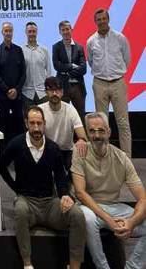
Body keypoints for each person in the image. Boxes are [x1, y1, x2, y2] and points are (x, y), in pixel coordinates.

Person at [0, 106, 86, 269]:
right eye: (32, 123)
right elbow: (1, 166)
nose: (36, 128)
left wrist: (65, 195)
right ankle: (27, 264)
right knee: (20, 210)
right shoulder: (16, 144)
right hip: (27, 201)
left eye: (39, 123)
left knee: (77, 214)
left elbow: (60, 176)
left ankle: (75, 266)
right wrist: (15, 188)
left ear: (44, 124)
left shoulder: (53, 148)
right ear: (26, 123)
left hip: (49, 202)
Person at [72, 112, 146, 268]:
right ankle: (103, 266)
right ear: (87, 133)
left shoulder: (121, 157)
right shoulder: (79, 152)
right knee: (87, 218)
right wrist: (109, 220)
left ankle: (132, 267)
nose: (97, 135)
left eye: (101, 130)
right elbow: (80, 193)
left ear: (109, 132)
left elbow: (142, 198)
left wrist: (131, 222)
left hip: (114, 207)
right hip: (88, 208)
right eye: (92, 131)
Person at [87, 8, 132, 157]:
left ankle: (126, 159)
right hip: (99, 84)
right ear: (95, 22)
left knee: (123, 123)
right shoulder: (91, 41)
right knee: (101, 125)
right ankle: (103, 158)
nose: (101, 22)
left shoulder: (120, 38)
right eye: (98, 20)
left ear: (108, 19)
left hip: (118, 83)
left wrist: (116, 73)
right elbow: (91, 62)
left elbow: (127, 59)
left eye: (104, 19)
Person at [39, 77, 87, 171]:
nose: (54, 93)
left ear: (62, 92)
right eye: (51, 90)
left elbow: (82, 136)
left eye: (58, 90)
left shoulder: (70, 109)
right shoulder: (40, 110)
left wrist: (81, 140)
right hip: (46, 150)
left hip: (67, 151)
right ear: (46, 92)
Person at [0, 22, 26, 144]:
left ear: (12, 32)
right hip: (3, 95)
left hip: (17, 95)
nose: (8, 33)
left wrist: (16, 89)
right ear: (2, 32)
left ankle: (20, 150)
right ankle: (5, 150)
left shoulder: (19, 50)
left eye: (10, 31)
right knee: (4, 125)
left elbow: (23, 73)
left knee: (19, 125)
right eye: (6, 31)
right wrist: (7, 90)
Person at [52, 20, 87, 122]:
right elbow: (57, 66)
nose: (65, 32)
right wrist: (72, 66)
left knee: (80, 116)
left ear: (71, 30)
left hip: (78, 86)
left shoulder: (79, 47)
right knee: (62, 117)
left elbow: (83, 69)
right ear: (60, 32)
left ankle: (81, 133)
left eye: (67, 29)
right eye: (63, 30)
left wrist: (67, 72)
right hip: (62, 87)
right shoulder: (56, 47)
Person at [22, 22, 51, 107]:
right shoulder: (21, 50)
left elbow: (49, 72)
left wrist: (49, 89)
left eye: (33, 31)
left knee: (45, 115)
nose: (32, 34)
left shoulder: (44, 50)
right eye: (29, 31)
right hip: (26, 94)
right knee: (28, 115)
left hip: (42, 93)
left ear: (37, 32)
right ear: (26, 32)